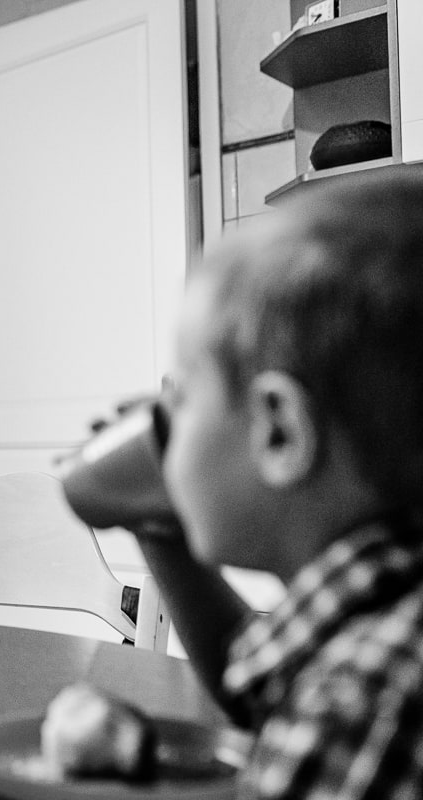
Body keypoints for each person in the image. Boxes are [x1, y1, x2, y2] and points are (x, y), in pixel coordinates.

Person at [124, 170, 423, 798]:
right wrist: (159, 521)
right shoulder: (382, 617)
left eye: (178, 397)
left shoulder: (358, 705)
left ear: (280, 432)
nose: (159, 425)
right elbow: (261, 682)